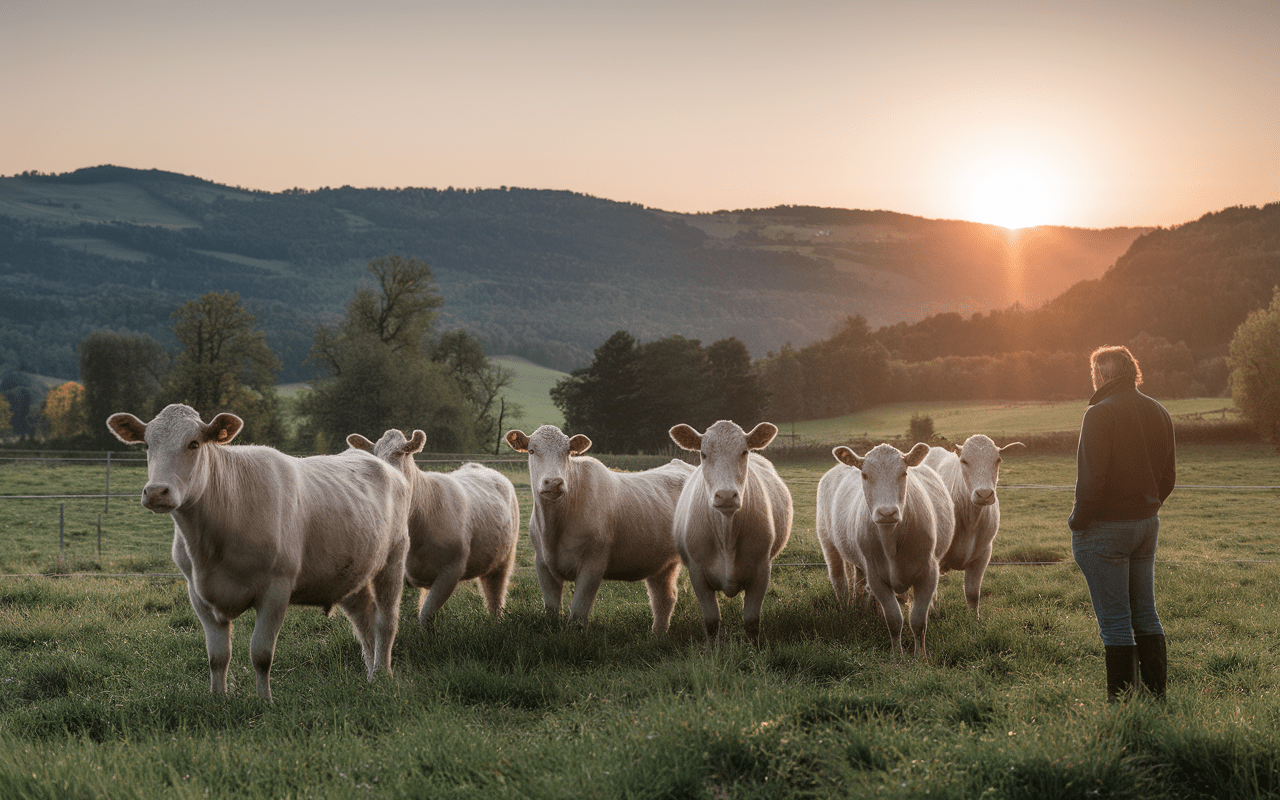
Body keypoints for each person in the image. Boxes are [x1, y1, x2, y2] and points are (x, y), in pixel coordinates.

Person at [1068, 345, 1175, 702]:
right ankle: (1156, 698)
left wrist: (1077, 522)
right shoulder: (1159, 411)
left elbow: (1091, 482)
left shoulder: (1098, 414)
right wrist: (1146, 507)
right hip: (1147, 525)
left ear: (1102, 375)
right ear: (1132, 372)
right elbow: (1169, 477)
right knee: (1146, 611)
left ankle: (1123, 704)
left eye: (1094, 373)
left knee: (1114, 620)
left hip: (1105, 531)